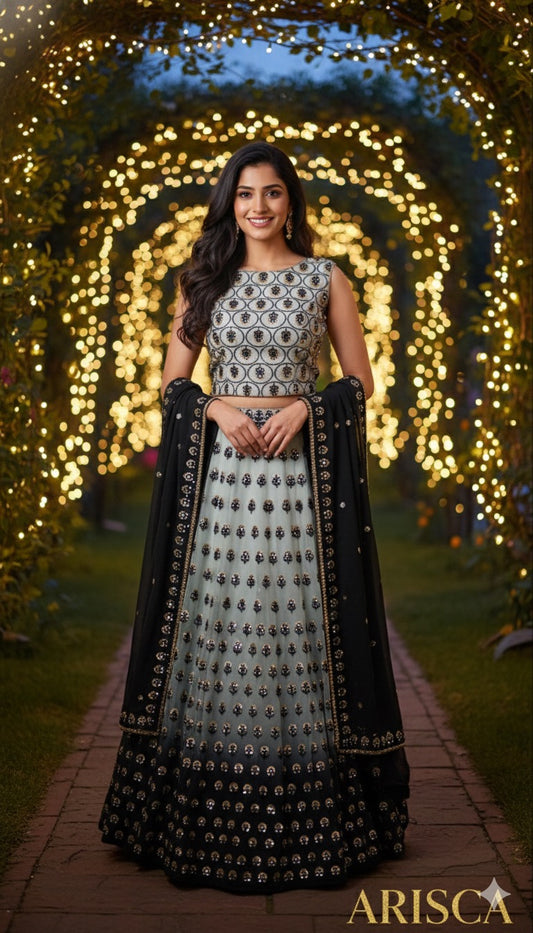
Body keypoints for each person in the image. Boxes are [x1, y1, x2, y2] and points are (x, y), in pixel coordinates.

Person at [99, 141, 409, 894]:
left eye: (271, 193)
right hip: (223, 489)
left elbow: (358, 380)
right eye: (244, 194)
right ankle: (204, 811)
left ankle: (314, 808)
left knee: (296, 630)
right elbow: (173, 383)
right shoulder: (202, 281)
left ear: (291, 203)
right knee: (223, 628)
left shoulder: (323, 278)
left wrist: (308, 406)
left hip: (300, 489)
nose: (259, 207)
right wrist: (215, 407)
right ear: (229, 202)